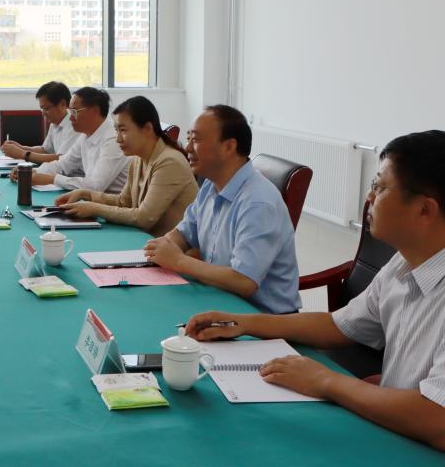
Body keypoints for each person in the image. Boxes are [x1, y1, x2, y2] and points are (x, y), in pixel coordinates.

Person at [185, 130, 445, 451]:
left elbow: (437, 420)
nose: (368, 197)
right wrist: (244, 323)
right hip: (393, 430)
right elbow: (338, 325)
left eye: (379, 187)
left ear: (425, 210)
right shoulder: (403, 264)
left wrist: (324, 380)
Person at [144, 105, 300, 314]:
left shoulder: (258, 202)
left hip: (262, 319)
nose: (187, 148)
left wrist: (178, 260)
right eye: (188, 138)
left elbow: (244, 281)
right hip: (218, 301)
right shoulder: (211, 184)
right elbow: (184, 233)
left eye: (195, 140)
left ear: (228, 147)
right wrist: (163, 247)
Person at [56, 96, 198, 236]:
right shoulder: (138, 159)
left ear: (148, 128)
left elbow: (144, 218)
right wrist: (85, 194)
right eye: (116, 130)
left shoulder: (169, 162)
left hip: (174, 246)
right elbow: (124, 202)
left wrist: (93, 209)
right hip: (149, 239)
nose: (118, 139)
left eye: (123, 130)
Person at [12, 86, 127, 194]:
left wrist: (52, 179)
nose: (71, 118)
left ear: (94, 111)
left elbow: (95, 186)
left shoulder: (113, 139)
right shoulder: (85, 136)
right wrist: (31, 172)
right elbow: (63, 164)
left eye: (74, 112)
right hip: (95, 200)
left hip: (114, 203)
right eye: (70, 112)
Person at [0, 81, 79, 164]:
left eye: (46, 108)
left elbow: (62, 159)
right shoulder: (55, 122)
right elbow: (45, 150)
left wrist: (23, 154)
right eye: (42, 109)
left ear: (63, 104)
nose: (43, 113)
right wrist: (21, 148)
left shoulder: (75, 125)